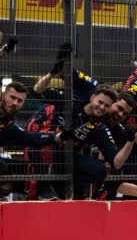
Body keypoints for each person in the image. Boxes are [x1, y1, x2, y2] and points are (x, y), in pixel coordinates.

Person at [30, 61, 128, 199]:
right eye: (100, 102)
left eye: (106, 106)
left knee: (100, 171)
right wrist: (52, 74)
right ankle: (43, 187)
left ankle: (69, 184)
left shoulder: (100, 127)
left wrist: (130, 141)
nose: (101, 107)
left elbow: (115, 162)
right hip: (46, 146)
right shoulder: (70, 102)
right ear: (92, 98)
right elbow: (37, 91)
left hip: (69, 159)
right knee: (45, 144)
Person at [0, 83, 61, 202]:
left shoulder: (9, 128)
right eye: (12, 97)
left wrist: (57, 137)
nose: (15, 103)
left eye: (20, 101)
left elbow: (31, 138)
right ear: (3, 95)